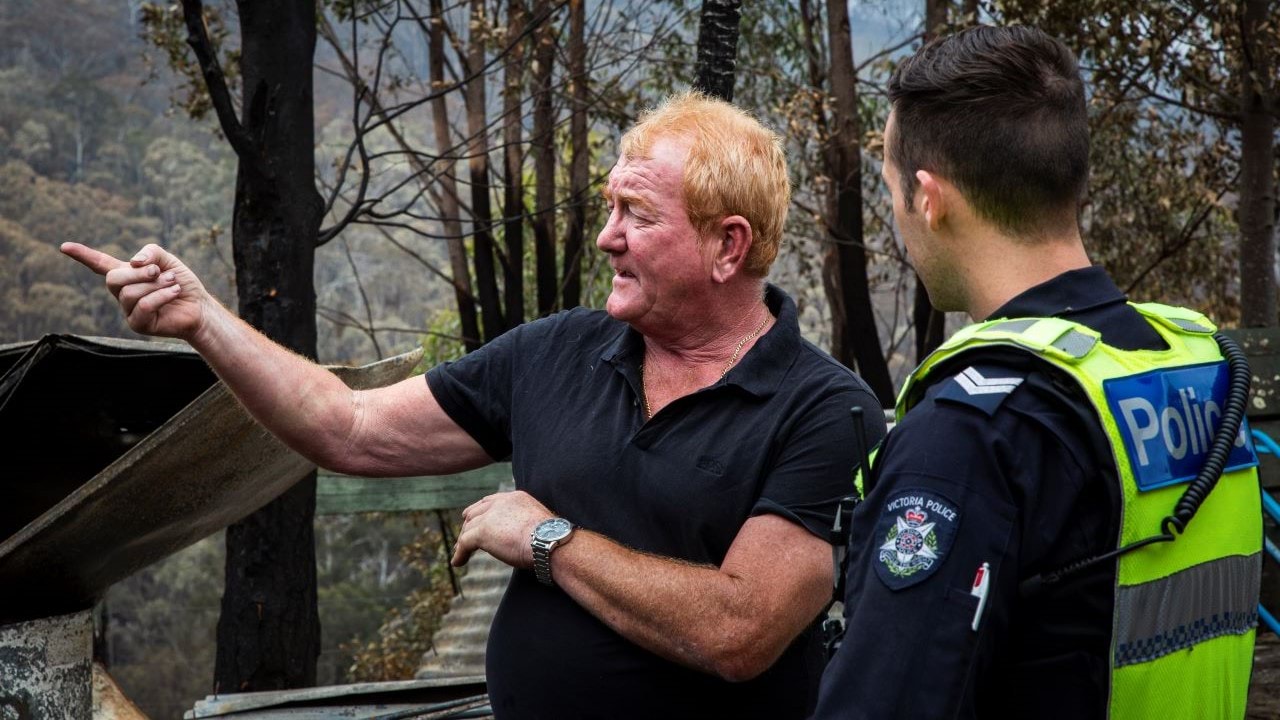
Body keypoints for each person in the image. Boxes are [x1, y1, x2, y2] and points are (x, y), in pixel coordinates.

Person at [64, 92, 886, 719]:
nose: (607, 236)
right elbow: (347, 426)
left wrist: (544, 538)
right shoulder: (558, 351)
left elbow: (740, 631)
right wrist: (203, 320)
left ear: (727, 245)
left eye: (636, 214)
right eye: (610, 208)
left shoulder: (824, 409)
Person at [813, 25, 1262, 719]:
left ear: (929, 199)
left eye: (894, 191)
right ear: (1072, 175)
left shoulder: (971, 436)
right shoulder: (1196, 366)